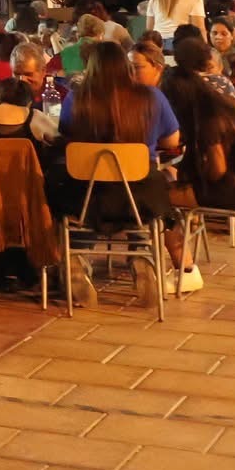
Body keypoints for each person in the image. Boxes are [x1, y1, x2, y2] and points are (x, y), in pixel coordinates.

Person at [51, 41, 197, 295]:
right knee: (148, 202)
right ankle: (142, 260)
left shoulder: (76, 99)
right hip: (141, 195)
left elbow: (65, 136)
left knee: (71, 199)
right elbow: (172, 141)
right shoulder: (151, 96)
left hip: (87, 194)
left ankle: (77, 261)